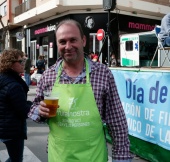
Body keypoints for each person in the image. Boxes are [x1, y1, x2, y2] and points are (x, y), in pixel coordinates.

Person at [28, 19, 133, 162]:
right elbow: (35, 106)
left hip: (93, 156)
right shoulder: (48, 75)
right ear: (57, 44)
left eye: (73, 40)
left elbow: (117, 121)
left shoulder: (103, 73)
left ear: (83, 40)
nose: (68, 46)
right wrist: (39, 111)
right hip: (59, 155)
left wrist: (121, 158)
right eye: (62, 42)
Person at [0, 49, 32, 162]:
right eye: (20, 61)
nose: (23, 63)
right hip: (12, 129)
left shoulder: (3, 78)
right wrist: (33, 105)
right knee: (16, 159)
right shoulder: (14, 85)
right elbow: (23, 111)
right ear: (11, 64)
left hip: (4, 126)